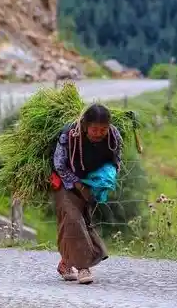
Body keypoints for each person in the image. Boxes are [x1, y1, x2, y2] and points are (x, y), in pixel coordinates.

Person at [51, 103, 123, 284]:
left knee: (83, 222)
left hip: (90, 182)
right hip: (65, 181)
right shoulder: (69, 135)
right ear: (85, 126)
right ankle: (83, 268)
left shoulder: (114, 136)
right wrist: (77, 185)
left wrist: (103, 180)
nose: (99, 133)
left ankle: (65, 263)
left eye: (103, 129)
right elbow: (59, 164)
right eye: (94, 129)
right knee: (73, 219)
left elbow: (117, 160)